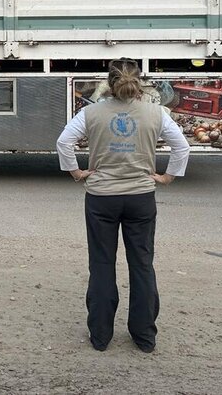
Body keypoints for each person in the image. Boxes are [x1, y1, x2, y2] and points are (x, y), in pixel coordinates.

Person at [56, 58, 190, 353]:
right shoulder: (157, 113)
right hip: (141, 197)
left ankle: (101, 336)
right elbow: (182, 146)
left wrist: (77, 172)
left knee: (102, 265)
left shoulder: (90, 113)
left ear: (110, 82)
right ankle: (144, 337)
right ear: (139, 82)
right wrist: (167, 177)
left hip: (101, 198)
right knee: (142, 264)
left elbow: (64, 142)